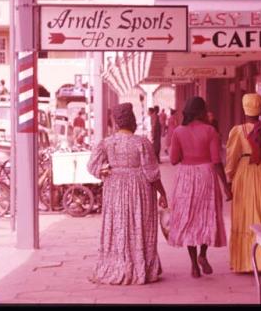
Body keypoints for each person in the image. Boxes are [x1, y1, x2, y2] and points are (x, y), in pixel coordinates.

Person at [87, 102, 168, 285]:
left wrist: (104, 170)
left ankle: (118, 264)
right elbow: (152, 173)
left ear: (116, 123)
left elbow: (92, 165)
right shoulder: (142, 143)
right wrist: (162, 194)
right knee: (140, 225)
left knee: (118, 226)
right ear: (132, 121)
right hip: (140, 190)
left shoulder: (107, 143)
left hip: (115, 190)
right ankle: (141, 266)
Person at [168, 96, 232, 278]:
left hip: (186, 176)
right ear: (202, 112)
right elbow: (217, 161)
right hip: (206, 175)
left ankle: (194, 264)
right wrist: (226, 187)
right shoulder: (211, 131)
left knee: (188, 219)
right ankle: (203, 254)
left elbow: (173, 160)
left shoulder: (178, 132)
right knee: (206, 218)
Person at [225, 92, 261, 273]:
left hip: (244, 173)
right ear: (260, 109)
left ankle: (246, 261)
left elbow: (232, 156)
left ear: (244, 109)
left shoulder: (238, 131)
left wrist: (229, 177)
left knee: (245, 214)